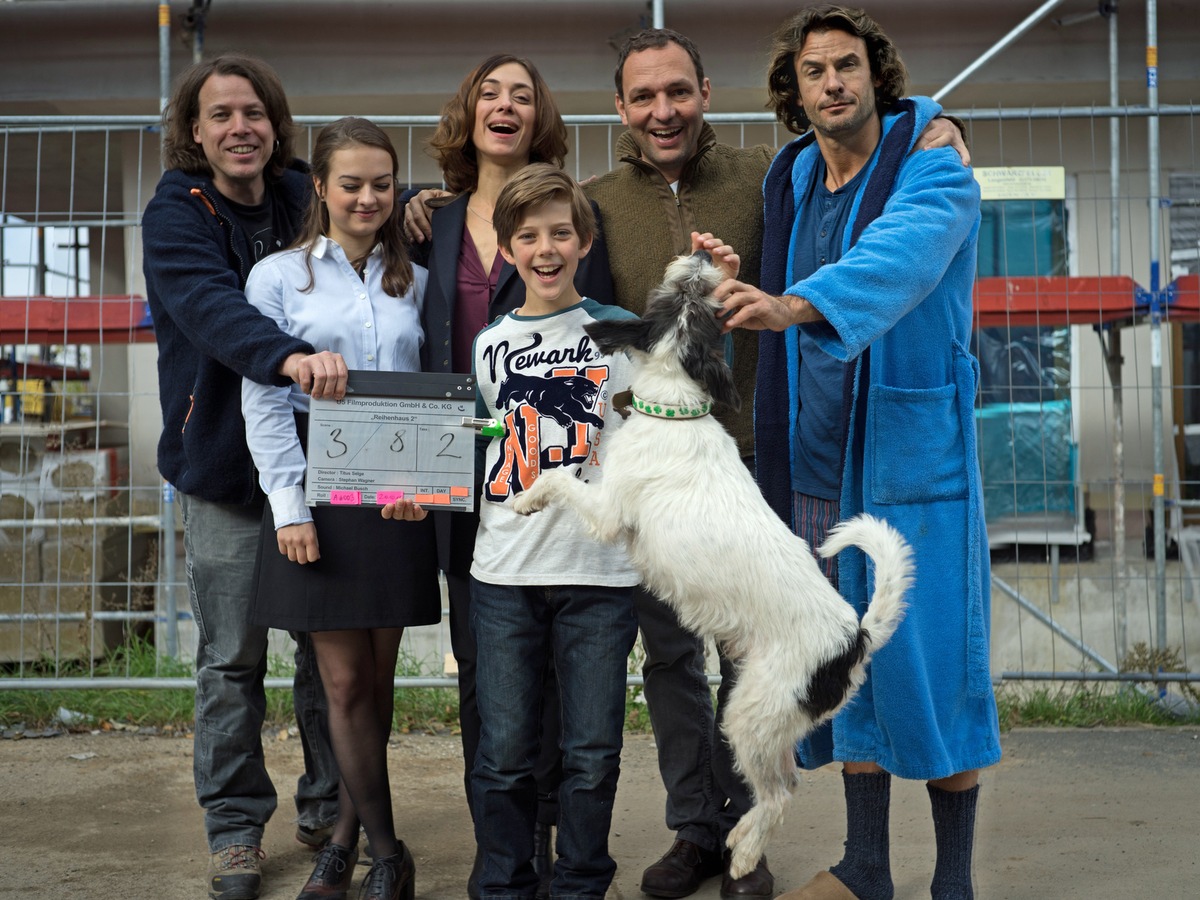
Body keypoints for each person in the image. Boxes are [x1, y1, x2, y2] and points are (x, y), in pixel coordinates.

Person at [404, 33, 966, 900]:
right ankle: (695, 829)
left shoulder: (769, 178)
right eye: (642, 97)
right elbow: (542, 265)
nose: (662, 110)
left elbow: (865, 153)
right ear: (621, 108)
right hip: (658, 463)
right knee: (671, 662)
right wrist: (426, 203)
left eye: (678, 91)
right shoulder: (595, 201)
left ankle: (753, 830)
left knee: (756, 649)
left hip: (747, 452)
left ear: (703, 91)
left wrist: (936, 119)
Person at [717, 7, 1002, 899]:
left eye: (848, 66)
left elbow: (901, 255)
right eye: (815, 71)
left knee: (931, 669)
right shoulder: (795, 175)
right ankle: (866, 867)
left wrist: (794, 306)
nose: (833, 82)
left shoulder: (935, 167)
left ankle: (952, 879)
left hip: (910, 456)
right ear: (794, 90)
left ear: (879, 76)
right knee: (842, 663)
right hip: (813, 458)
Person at [406, 53, 612, 900]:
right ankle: (508, 862)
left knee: (581, 711)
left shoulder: (572, 228)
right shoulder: (430, 218)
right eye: (489, 92)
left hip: (579, 513)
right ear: (468, 111)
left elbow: (614, 381)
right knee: (493, 691)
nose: (504, 104)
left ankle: (567, 857)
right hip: (476, 494)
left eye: (521, 94)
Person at [141, 54, 346, 900]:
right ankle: (234, 828)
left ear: (275, 122)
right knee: (230, 659)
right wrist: (291, 358)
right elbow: (213, 311)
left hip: (316, 465)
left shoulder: (307, 194)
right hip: (224, 471)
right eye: (220, 114)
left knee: (322, 653)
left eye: (253, 112)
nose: (239, 128)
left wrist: (422, 212)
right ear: (195, 130)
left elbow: (366, 229)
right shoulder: (175, 213)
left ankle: (331, 806)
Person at [242, 116, 439, 900]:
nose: (367, 198)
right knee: (344, 684)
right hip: (316, 494)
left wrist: (422, 483)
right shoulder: (280, 278)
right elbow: (262, 400)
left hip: (395, 498)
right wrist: (289, 507)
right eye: (350, 183)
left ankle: (345, 840)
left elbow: (430, 391)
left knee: (378, 681)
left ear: (399, 189)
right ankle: (389, 854)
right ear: (318, 187)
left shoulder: (415, 278)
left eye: (382, 184)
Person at [468, 163, 637, 900]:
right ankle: (505, 881)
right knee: (504, 751)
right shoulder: (487, 344)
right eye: (528, 235)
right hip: (504, 570)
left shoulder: (619, 332)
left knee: (592, 749)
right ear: (507, 249)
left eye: (560, 233)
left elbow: (645, 435)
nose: (545, 248)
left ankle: (581, 881)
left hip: (600, 572)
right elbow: (485, 436)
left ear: (584, 241)